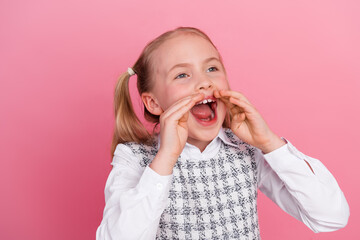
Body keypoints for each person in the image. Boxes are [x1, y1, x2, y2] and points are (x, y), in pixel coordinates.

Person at [96, 27, 349, 240]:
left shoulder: (246, 149)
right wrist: (166, 158)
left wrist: (270, 144)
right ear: (153, 103)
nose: (205, 82)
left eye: (212, 69)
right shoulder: (134, 158)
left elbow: (331, 216)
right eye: (182, 74)